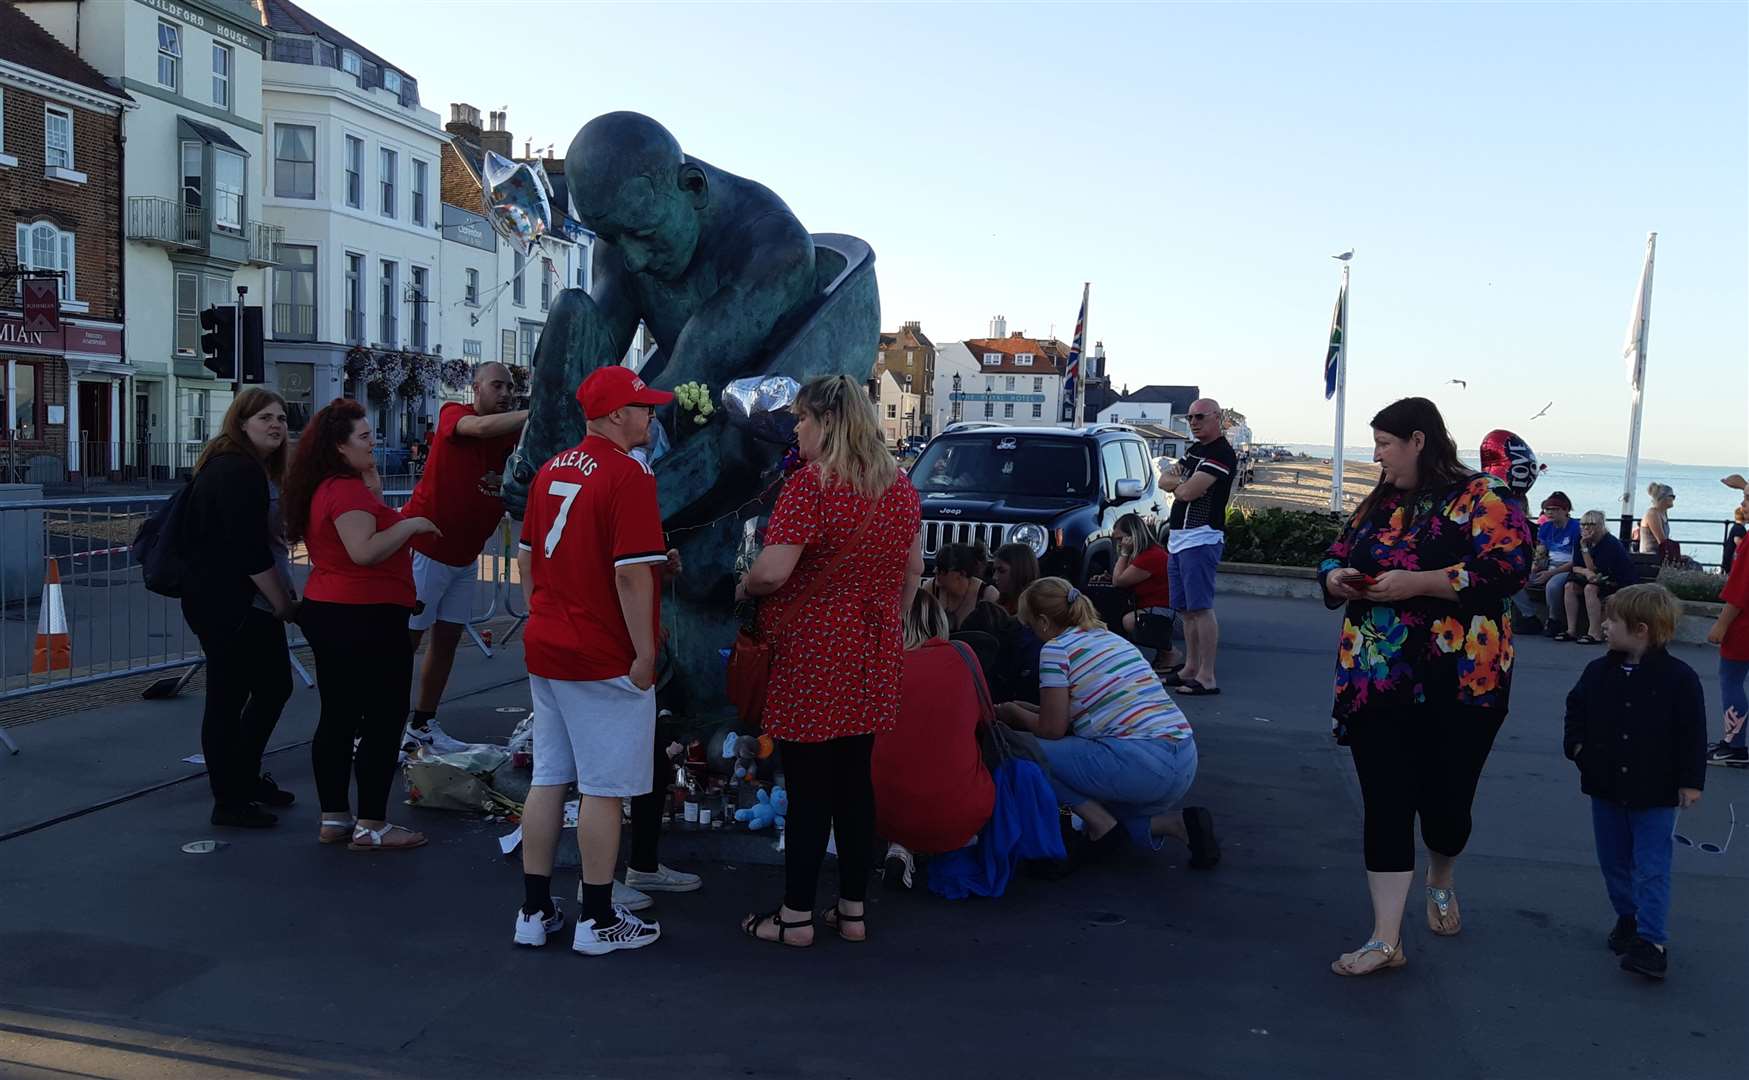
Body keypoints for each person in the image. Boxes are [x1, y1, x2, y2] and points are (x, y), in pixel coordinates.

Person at [1319, 397, 1530, 977]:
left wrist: (1422, 581)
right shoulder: (1378, 502)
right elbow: (1335, 556)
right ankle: (1386, 940)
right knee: (1385, 804)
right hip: (1376, 679)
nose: (1377, 454)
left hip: (1463, 683)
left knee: (1445, 807)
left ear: (1418, 439)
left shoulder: (1484, 497)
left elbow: (1508, 569)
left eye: (1385, 444)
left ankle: (1442, 874)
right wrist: (1336, 578)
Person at [735, 374, 923, 947]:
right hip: (871, 648)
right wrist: (888, 620)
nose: (797, 428)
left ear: (828, 423)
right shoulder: (900, 489)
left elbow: (773, 571)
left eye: (803, 419)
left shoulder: (811, 487)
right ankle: (852, 910)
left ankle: (795, 917)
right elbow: (914, 569)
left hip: (813, 651)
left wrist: (743, 587)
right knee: (854, 784)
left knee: (809, 788)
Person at [512, 366, 674, 955]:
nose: (651, 417)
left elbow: (528, 559)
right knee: (604, 788)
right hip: (600, 651)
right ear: (614, 415)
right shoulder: (628, 476)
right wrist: (645, 653)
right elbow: (631, 576)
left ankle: (534, 910)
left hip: (549, 644)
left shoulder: (553, 467)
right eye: (643, 408)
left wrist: (547, 613)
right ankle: (598, 917)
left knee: (551, 775)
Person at [284, 399, 436, 852]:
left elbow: (359, 530)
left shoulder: (330, 487)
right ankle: (372, 824)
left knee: (338, 715)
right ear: (339, 446)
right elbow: (364, 550)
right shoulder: (343, 491)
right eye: (366, 437)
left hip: (336, 611)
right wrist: (412, 525)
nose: (375, 442)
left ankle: (335, 817)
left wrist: (370, 482)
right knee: (383, 718)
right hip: (364, 615)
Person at [994, 577, 1218, 874]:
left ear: (1044, 621)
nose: (1031, 632)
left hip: (1138, 762)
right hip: (1182, 757)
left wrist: (1011, 713)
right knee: (1103, 810)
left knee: (1018, 748)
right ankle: (1177, 824)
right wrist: (1029, 710)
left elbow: (1052, 729)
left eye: (1030, 624)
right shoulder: (1110, 638)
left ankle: (1102, 826)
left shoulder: (1056, 649)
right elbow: (1081, 712)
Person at [1562, 584, 1706, 981]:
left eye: (1612, 620)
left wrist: (1691, 782)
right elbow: (1576, 710)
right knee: (1613, 862)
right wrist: (1577, 748)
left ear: (1641, 629)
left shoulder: (1680, 679)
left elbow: (1692, 733)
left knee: (1652, 866)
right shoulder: (1598, 672)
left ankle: (1651, 941)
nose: (1605, 626)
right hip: (1605, 785)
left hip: (1655, 791)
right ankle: (1628, 917)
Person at [179, 388, 300, 828]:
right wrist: (282, 602)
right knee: (231, 698)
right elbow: (248, 551)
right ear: (241, 422)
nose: (276, 425)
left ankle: (242, 779)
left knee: (269, 689)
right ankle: (229, 798)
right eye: (265, 417)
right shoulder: (237, 470)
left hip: (233, 602)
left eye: (282, 419)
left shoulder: (243, 466)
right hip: (231, 604)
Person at [399, 362, 528, 755]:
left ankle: (422, 724)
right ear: (476, 388)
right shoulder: (455, 414)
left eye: (510, 387)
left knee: (447, 641)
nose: (505, 393)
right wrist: (538, 412)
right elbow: (481, 429)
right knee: (404, 642)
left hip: (464, 558)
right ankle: (372, 725)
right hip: (426, 551)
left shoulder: (512, 435)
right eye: (497, 386)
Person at [873, 591, 997, 889]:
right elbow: (986, 721)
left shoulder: (879, 665)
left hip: (884, 810)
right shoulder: (963, 655)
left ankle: (901, 846)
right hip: (962, 810)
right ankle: (954, 845)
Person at [1162, 397, 1236, 696]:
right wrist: (1176, 484)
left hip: (1201, 537)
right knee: (1185, 609)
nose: (1193, 422)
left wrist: (1178, 486)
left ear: (1216, 418)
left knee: (1201, 608)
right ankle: (1190, 667)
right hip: (1179, 539)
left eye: (1200, 417)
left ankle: (1207, 675)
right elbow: (1164, 478)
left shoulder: (1221, 454)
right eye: (1190, 417)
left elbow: (1189, 491)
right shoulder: (1196, 451)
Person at [1705, 486, 1749, 767]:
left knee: (1731, 680)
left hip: (1743, 625)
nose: (1743, 503)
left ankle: (1734, 745)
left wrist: (1720, 625)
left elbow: (1739, 592)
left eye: (1747, 499)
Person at [1111, 512, 1180, 673]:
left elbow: (1119, 581)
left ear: (1132, 536)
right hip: (1159, 609)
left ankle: (1170, 653)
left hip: (1171, 614)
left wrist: (1124, 553)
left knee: (1130, 621)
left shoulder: (1151, 556)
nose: (1120, 544)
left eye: (1122, 539)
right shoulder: (1145, 554)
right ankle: (1162, 652)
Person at [1560, 511, 1639, 645]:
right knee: (1570, 587)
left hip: (1617, 580)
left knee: (1590, 589)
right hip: (1596, 578)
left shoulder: (1609, 543)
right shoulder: (1579, 538)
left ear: (1600, 526)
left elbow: (1595, 570)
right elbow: (1575, 566)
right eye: (1583, 524)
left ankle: (1594, 633)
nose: (1586, 528)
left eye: (1591, 524)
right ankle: (1571, 630)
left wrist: (1584, 548)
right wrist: (1586, 572)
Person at [1527, 492, 1580, 635]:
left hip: (1568, 568)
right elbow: (1541, 552)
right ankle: (1529, 616)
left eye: (1555, 509)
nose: (1550, 512)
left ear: (1565, 510)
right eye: (1547, 509)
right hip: (1549, 565)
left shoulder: (1576, 528)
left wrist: (1550, 573)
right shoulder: (1545, 528)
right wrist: (1534, 567)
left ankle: (1554, 620)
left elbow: (1576, 560)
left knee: (1553, 585)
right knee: (1517, 580)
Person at [925, 542, 1001, 631]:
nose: (935, 573)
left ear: (961, 574)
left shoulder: (988, 595)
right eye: (936, 568)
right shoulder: (930, 589)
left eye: (942, 571)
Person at [992, 542, 1039, 616]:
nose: (994, 577)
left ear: (1021, 571)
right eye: (994, 571)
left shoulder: (1037, 611)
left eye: (1002, 571)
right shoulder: (995, 608)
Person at [1638, 483, 1675, 555]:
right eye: (1672, 496)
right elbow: (1661, 541)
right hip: (1650, 556)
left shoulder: (1663, 513)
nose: (1674, 499)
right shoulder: (1653, 513)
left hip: (1660, 554)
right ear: (1663, 497)